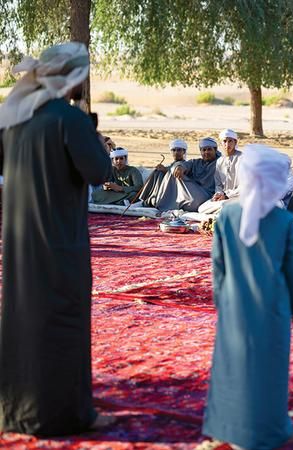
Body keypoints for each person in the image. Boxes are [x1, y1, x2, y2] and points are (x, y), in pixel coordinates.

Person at [0, 42, 112, 436]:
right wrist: (91, 130)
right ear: (75, 80)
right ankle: (64, 414)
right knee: (63, 320)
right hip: (59, 241)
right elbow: (99, 172)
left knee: (22, 318)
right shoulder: (68, 119)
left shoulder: (14, 117)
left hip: (19, 243)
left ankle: (15, 409)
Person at [202, 144, 293, 449]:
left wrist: (223, 302)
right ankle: (269, 433)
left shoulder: (228, 215)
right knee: (267, 372)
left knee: (234, 367)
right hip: (271, 310)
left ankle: (229, 427)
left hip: (234, 307)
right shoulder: (283, 221)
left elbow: (218, 267)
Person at [198, 129, 242, 214]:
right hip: (223, 199)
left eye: (230, 141)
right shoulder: (220, 161)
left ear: (235, 142)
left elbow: (246, 186)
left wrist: (227, 196)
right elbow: (218, 184)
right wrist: (219, 194)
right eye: (224, 141)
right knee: (202, 208)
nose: (227, 144)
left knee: (230, 205)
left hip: (238, 197)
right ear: (221, 143)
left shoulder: (242, 158)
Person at [139, 138, 188, 209]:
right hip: (164, 191)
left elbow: (178, 177)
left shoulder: (185, 165)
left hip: (176, 192)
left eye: (179, 150)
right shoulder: (171, 165)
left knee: (161, 173)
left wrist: (165, 171)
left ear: (184, 152)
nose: (176, 152)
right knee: (157, 172)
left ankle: (157, 199)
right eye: (174, 150)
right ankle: (152, 198)